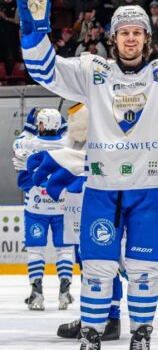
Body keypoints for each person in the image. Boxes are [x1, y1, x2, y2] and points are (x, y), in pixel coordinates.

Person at [18, 0, 158, 349]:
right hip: (103, 188)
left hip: (151, 190)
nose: (130, 38)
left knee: (144, 271)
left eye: (137, 33)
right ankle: (92, 335)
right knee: (97, 268)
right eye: (124, 32)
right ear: (113, 38)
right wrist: (35, 36)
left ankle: (141, 335)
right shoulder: (93, 70)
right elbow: (45, 70)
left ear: (147, 38)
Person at [51, 103, 124, 342]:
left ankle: (111, 318)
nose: (70, 120)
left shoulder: (102, 140)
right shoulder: (73, 143)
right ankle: (91, 315)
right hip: (77, 212)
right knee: (87, 265)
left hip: (100, 209)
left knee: (105, 263)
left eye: (75, 116)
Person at [12, 108, 73, 311]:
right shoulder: (68, 144)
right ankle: (64, 293)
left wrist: (28, 127)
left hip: (36, 206)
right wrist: (62, 124)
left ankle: (36, 295)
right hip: (62, 205)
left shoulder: (27, 144)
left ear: (40, 124)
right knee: (64, 249)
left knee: (36, 250)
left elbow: (22, 176)